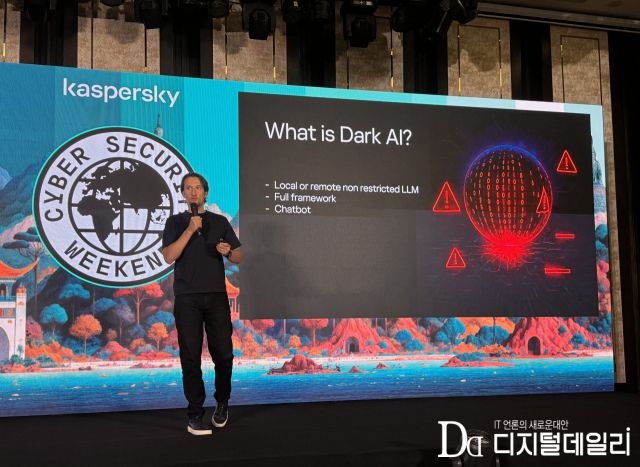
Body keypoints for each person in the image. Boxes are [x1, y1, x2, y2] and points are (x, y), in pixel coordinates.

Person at [162, 172, 241, 436]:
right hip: (187, 298)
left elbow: (238, 255)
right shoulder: (175, 222)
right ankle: (195, 414)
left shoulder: (220, 221)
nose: (193, 192)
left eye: (197, 187)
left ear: (205, 193)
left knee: (224, 354)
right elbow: (169, 256)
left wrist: (228, 252)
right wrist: (189, 230)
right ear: (183, 193)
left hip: (216, 296)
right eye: (188, 188)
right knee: (190, 356)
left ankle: (222, 402)